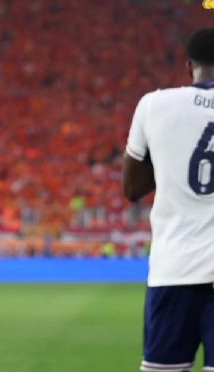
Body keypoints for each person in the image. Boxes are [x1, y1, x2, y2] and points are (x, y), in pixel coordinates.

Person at [123, 27, 214, 372]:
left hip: (173, 270)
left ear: (189, 67)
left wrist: (170, 157)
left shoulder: (154, 104)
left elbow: (132, 189)